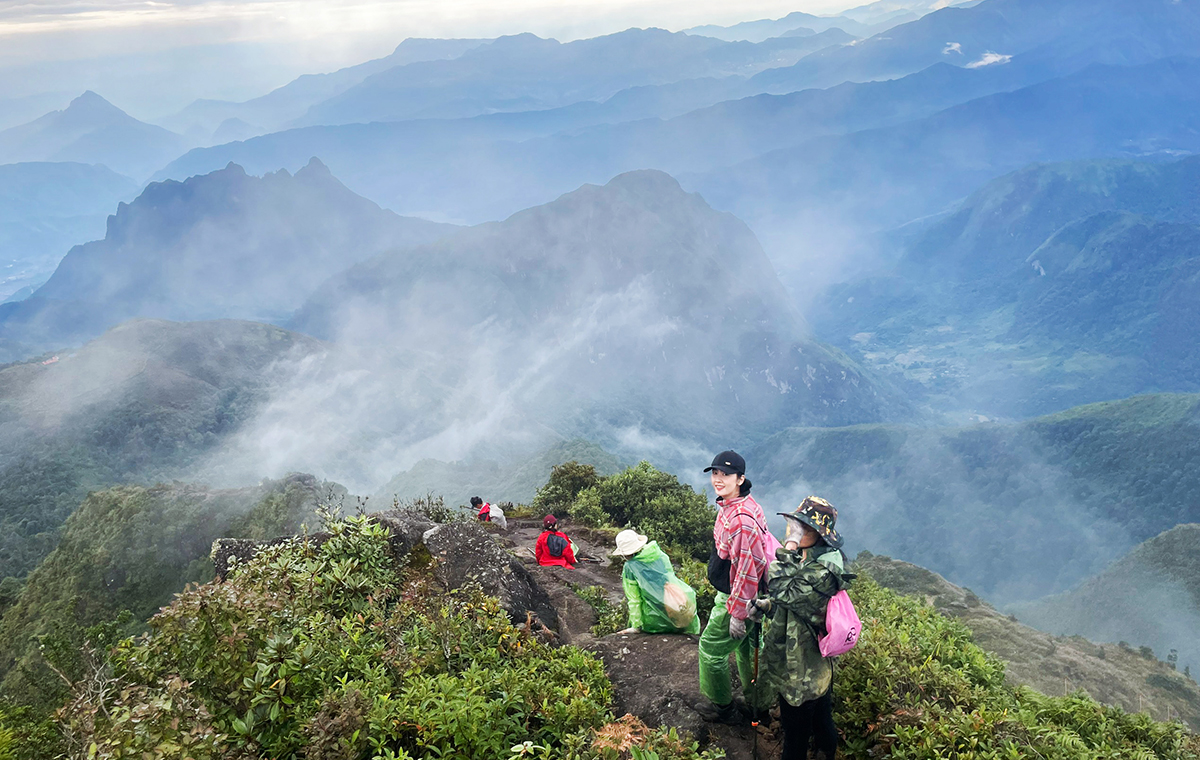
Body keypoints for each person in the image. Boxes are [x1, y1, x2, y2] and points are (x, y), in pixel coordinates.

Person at [751, 496, 852, 760]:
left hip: (803, 669)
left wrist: (790, 544)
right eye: (794, 525)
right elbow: (792, 605)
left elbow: (781, 586)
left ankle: (824, 750)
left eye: (804, 528)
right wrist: (767, 607)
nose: (794, 532)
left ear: (820, 535)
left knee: (795, 735)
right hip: (809, 664)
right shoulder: (808, 558)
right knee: (820, 714)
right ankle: (826, 750)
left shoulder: (824, 572)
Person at [695, 450, 775, 724]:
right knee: (749, 648)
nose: (718, 479)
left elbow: (746, 570)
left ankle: (722, 707)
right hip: (754, 597)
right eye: (715, 473)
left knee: (710, 649)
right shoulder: (745, 504)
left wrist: (738, 613)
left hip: (736, 596)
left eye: (726, 474)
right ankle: (759, 707)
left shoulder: (740, 520)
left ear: (740, 478)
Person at [612, 529, 700, 635]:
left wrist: (636, 625)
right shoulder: (659, 554)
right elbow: (670, 579)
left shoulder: (630, 567)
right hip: (673, 611)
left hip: (653, 623)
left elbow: (634, 600)